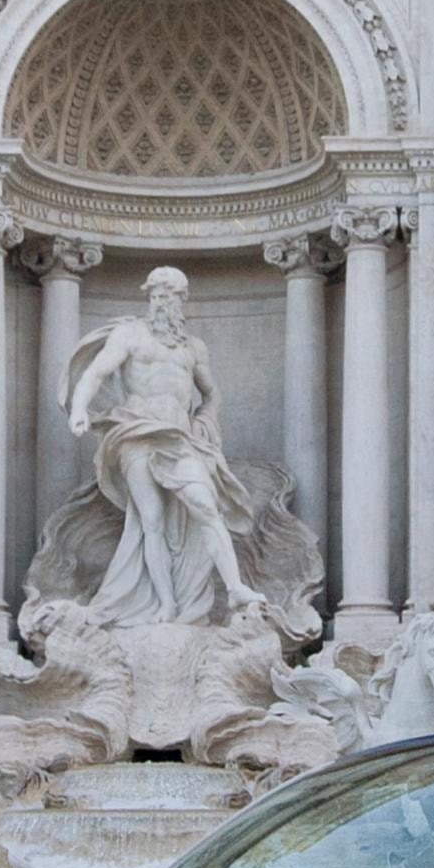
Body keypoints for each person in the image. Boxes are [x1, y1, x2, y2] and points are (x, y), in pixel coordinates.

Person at [64, 267, 264, 624]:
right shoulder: (130, 335)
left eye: (168, 295)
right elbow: (95, 373)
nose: (161, 301)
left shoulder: (193, 348)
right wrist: (79, 408)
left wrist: (206, 421)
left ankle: (235, 587)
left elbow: (212, 393)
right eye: (155, 294)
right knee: (150, 519)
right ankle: (166, 604)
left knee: (206, 506)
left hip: (179, 438)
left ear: (181, 300)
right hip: (136, 433)